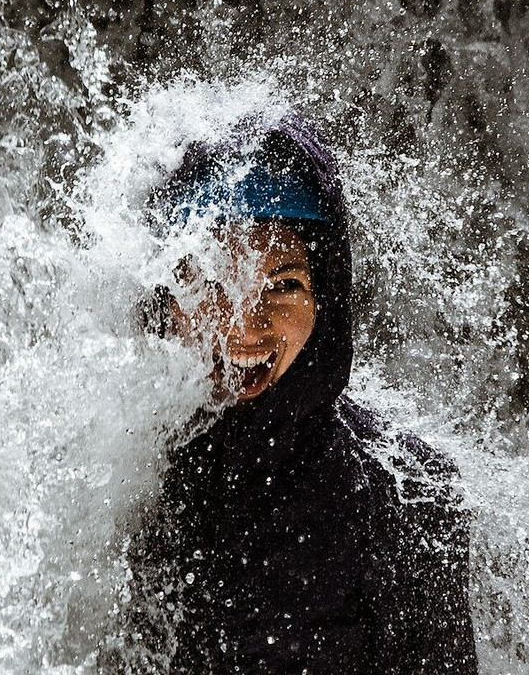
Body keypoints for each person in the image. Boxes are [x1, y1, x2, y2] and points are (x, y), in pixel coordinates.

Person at [108, 113, 478, 674]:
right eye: (211, 282)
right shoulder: (111, 473)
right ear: (164, 302)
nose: (245, 323)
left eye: (283, 285)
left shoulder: (406, 496)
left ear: (325, 300)